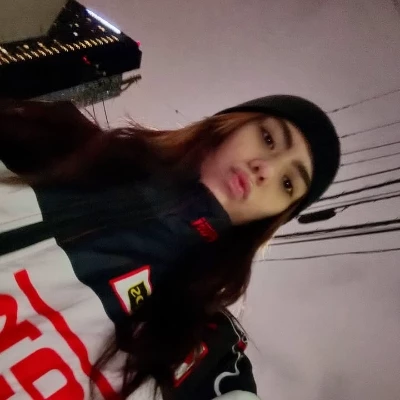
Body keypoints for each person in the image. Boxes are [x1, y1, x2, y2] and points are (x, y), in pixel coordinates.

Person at [0, 95, 340, 399]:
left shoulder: (201, 348)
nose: (265, 169)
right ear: (230, 124)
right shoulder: (64, 143)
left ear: (275, 215)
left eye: (287, 183)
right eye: (268, 138)